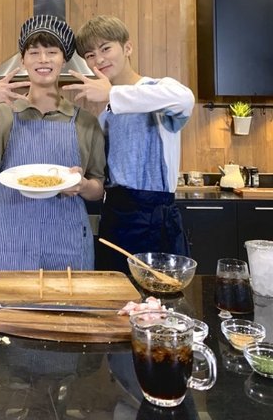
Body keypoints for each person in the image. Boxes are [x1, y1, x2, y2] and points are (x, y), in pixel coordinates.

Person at [0, 14, 105, 272]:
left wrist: (83, 185)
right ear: (23, 60)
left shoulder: (86, 122)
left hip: (68, 245)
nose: (43, 59)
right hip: (10, 245)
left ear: (63, 60)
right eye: (34, 52)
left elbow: (98, 187)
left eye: (52, 52)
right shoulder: (1, 113)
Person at [64, 15, 195, 272]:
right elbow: (102, 175)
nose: (99, 60)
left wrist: (112, 93)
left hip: (155, 219)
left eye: (106, 48)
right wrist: (82, 181)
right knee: (114, 293)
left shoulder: (160, 91)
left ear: (127, 48)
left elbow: (185, 100)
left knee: (159, 295)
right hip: (114, 217)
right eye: (90, 55)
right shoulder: (105, 117)